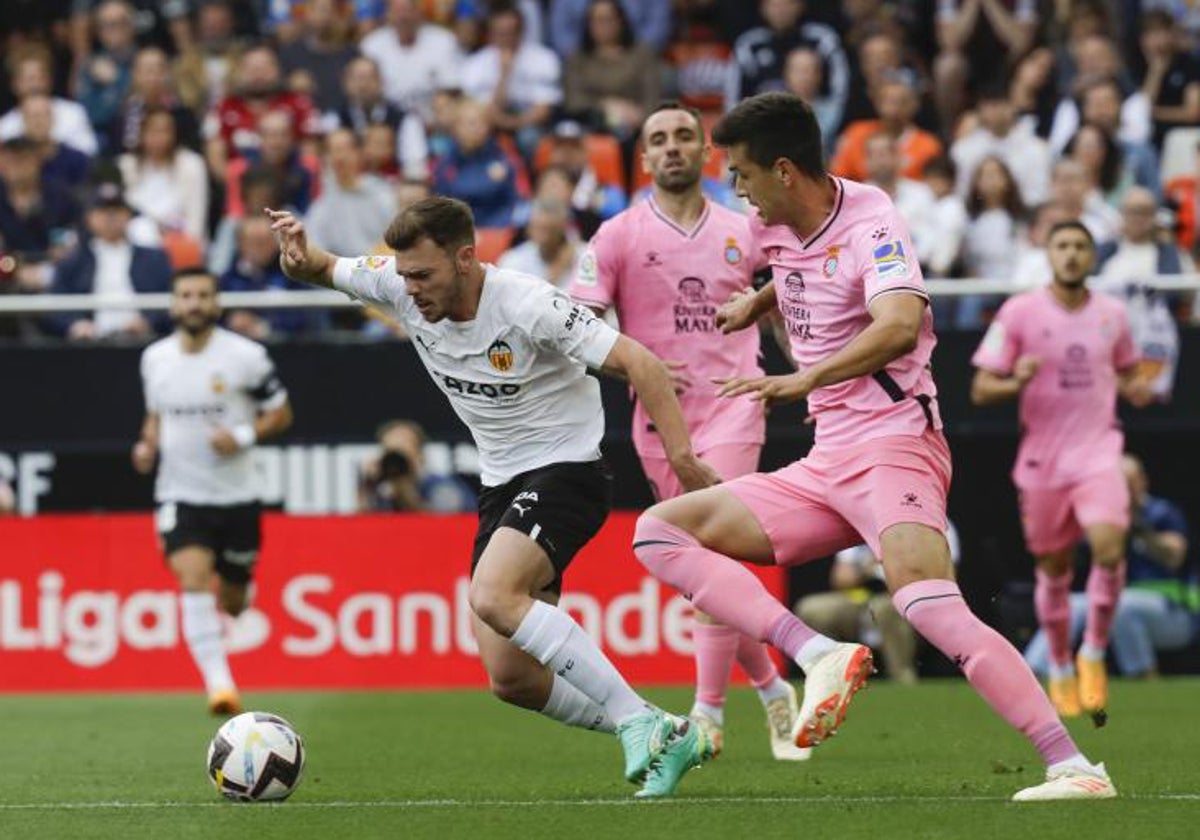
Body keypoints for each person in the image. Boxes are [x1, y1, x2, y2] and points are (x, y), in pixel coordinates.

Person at [631, 91, 1116, 802]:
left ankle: (1073, 765)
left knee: (926, 602)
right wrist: (757, 303)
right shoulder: (772, 227)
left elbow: (896, 323)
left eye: (741, 173)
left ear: (785, 171)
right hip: (827, 460)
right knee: (659, 534)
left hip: (896, 445)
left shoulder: (872, 220)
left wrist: (807, 378)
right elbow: (797, 270)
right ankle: (816, 651)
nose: (733, 187)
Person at [268, 196, 721, 798]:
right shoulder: (398, 286)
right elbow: (322, 267)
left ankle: (638, 718)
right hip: (501, 483)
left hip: (567, 471)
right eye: (403, 275)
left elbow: (641, 363)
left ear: (465, 259)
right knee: (512, 679)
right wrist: (299, 259)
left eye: (424, 275)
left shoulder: (528, 304)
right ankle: (666, 731)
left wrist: (683, 460)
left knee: (492, 594)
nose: (411, 290)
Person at [568, 101, 809, 763]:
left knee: (717, 551)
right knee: (706, 571)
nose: (671, 147)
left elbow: (788, 306)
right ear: (643, 159)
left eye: (682, 136)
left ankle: (707, 716)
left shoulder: (748, 229)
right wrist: (635, 370)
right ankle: (771, 687)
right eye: (658, 140)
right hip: (659, 422)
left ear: (705, 152)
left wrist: (812, 379)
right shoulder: (616, 236)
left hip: (735, 403)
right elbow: (579, 329)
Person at [971, 220, 1154, 722]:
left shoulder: (1113, 315)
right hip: (1043, 461)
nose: (1071, 255)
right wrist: (1015, 382)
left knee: (1110, 544)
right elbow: (981, 388)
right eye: (1063, 245)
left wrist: (1136, 385)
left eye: (1080, 246)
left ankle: (1093, 652)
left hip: (1099, 452)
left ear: (1092, 256)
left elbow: (1129, 370)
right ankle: (1058, 663)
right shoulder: (1020, 312)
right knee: (1053, 568)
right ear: (1048, 254)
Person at [132, 267, 294, 714]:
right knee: (193, 577)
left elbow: (281, 413)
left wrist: (242, 436)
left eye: (203, 295)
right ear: (173, 304)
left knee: (235, 602)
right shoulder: (155, 358)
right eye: (186, 296)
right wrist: (147, 445)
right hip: (180, 496)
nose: (194, 304)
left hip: (237, 497)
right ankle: (220, 685)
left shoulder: (246, 356)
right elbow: (155, 415)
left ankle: (241, 589)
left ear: (216, 303)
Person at [1024, 454, 1196, 678]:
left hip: (1174, 613)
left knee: (1120, 606)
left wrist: (1140, 528)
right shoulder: (1103, 520)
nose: (1124, 490)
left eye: (1129, 483)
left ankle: (1144, 678)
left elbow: (1175, 557)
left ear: (1142, 481)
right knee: (1071, 604)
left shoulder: (1162, 513)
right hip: (1116, 605)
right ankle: (1033, 671)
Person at [797, 523, 961, 685]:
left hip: (914, 602)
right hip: (864, 599)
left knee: (884, 608)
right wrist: (866, 568)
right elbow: (841, 578)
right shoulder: (862, 522)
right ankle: (832, 683)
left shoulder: (936, 522)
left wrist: (896, 568)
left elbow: (944, 577)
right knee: (812, 608)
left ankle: (902, 679)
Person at [357, 419, 476, 513]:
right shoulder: (381, 489)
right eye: (391, 451)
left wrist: (406, 492)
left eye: (404, 449)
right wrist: (368, 485)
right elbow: (361, 526)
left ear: (420, 455)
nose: (397, 462)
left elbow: (449, 524)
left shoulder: (440, 485)